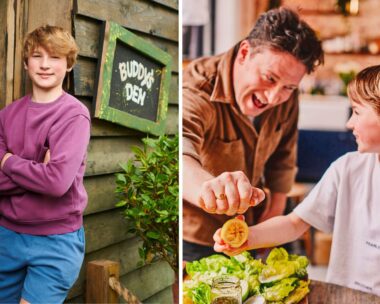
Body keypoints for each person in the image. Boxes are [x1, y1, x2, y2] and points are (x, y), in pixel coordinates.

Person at [214, 65, 380, 296]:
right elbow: (294, 223)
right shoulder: (347, 169)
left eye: (357, 112)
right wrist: (247, 238)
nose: (349, 124)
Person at [182, 7, 324, 261]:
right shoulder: (196, 86)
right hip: (199, 236)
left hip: (259, 223)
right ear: (245, 53)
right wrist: (210, 190)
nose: (273, 97)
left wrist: (275, 212)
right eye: (269, 78)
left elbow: (284, 157)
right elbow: (180, 150)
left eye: (289, 88)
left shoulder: (285, 94)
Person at [0, 25, 90, 303]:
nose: (45, 65)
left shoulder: (74, 115)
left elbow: (56, 183)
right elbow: (46, 178)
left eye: (55, 57)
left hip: (57, 240)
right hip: (7, 235)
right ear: (26, 63)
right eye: (38, 56)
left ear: (69, 65)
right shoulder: (6, 115)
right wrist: (37, 167)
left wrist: (7, 160)